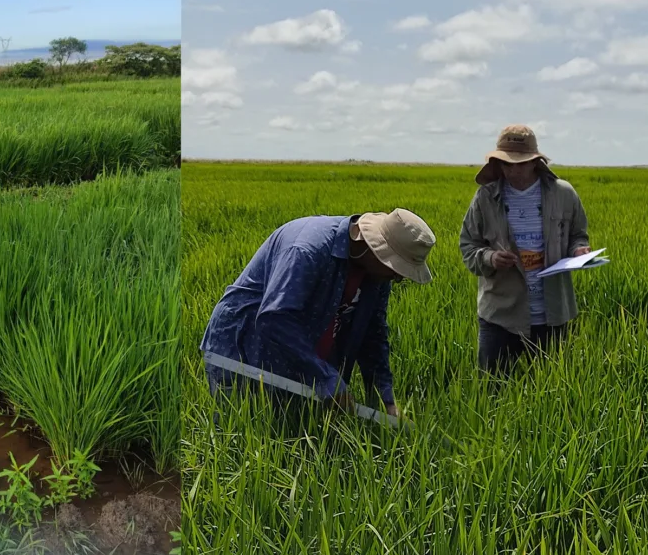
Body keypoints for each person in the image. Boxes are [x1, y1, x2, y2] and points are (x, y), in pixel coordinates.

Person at [200, 209, 437, 417]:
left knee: (290, 434)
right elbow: (275, 319)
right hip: (241, 351)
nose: (397, 277)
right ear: (375, 249)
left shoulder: (377, 275)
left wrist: (386, 400)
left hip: (295, 357)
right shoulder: (308, 249)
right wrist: (324, 377)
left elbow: (373, 334)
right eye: (396, 268)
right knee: (243, 436)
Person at [459, 124, 591, 376]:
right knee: (491, 387)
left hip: (552, 314)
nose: (513, 170)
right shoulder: (486, 197)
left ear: (535, 162)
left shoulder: (563, 194)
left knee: (553, 391)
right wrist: (490, 257)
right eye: (507, 164)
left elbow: (577, 235)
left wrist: (578, 251)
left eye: (520, 163)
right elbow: (468, 245)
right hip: (500, 314)